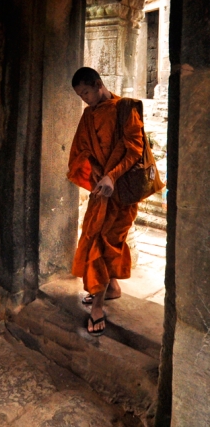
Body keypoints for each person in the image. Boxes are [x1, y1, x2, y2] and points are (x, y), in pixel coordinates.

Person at [67, 67, 144, 336]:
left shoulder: (125, 109)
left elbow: (135, 148)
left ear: (99, 84)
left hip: (122, 191)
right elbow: (83, 149)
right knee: (96, 236)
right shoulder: (89, 115)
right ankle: (110, 288)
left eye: (86, 92)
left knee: (106, 241)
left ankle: (97, 307)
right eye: (80, 95)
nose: (84, 99)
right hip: (102, 191)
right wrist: (98, 171)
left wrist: (112, 176)